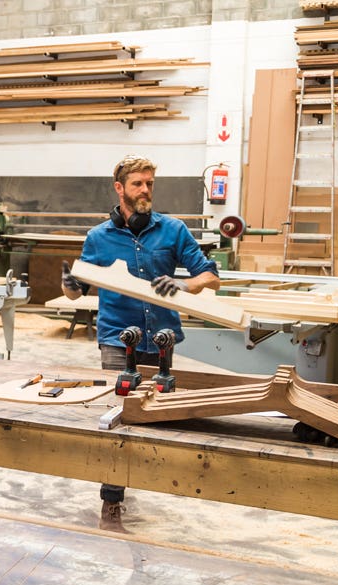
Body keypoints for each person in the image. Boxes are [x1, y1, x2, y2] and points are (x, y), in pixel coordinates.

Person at [60, 154, 219, 533]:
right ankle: (111, 499)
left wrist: (184, 283)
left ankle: (144, 475)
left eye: (149, 183)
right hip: (118, 338)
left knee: (156, 414)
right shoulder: (98, 237)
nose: (145, 190)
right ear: (120, 188)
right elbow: (74, 293)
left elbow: (210, 277)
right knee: (116, 418)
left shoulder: (173, 230)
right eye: (137, 184)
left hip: (161, 338)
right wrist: (69, 283)